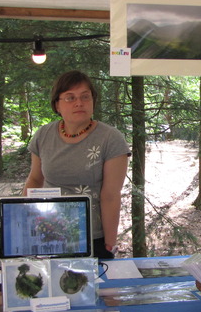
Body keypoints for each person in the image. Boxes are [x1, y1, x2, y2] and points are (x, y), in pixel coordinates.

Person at [23, 70, 130, 259]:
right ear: (57, 104)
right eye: (70, 98)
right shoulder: (43, 135)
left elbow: (111, 195)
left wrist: (110, 243)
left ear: (93, 102)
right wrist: (27, 223)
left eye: (85, 97)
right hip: (48, 231)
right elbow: (34, 179)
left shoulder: (111, 139)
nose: (79, 103)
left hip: (91, 236)